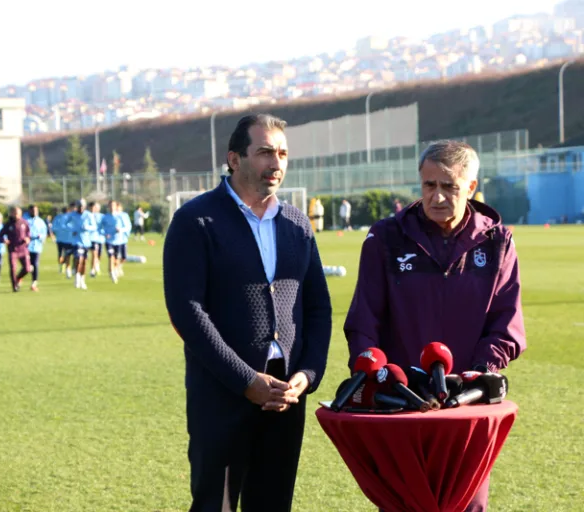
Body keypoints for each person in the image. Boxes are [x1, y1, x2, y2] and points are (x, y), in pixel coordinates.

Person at [344, 140, 527, 512]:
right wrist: (375, 377)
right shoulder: (385, 238)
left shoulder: (498, 242)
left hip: (465, 406)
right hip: (402, 405)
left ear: (472, 188)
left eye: (450, 187)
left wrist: (477, 374)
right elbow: (365, 319)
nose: (438, 197)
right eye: (429, 185)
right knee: (402, 503)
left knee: (466, 504)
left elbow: (506, 324)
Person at [163, 114, 333, 511]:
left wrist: (307, 375)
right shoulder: (196, 220)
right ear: (234, 159)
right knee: (214, 506)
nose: (276, 163)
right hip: (222, 393)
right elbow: (187, 312)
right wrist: (245, 380)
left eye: (282, 153)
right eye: (264, 153)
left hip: (286, 397)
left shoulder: (296, 224)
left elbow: (318, 307)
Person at [0, 206, 32, 292]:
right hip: (13, 250)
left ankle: (17, 278)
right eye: (14, 213)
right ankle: (14, 286)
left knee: (27, 269)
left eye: (18, 213)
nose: (16, 215)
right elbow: (0, 235)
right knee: (13, 268)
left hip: (23, 249)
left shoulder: (24, 223)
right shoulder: (8, 224)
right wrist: (4, 240)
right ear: (11, 214)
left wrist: (28, 239)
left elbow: (28, 234)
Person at [68, 199, 96, 290]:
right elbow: (65, 224)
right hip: (77, 241)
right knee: (78, 258)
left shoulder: (89, 215)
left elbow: (94, 226)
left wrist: (87, 227)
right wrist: (72, 230)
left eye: (82, 206)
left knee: (84, 261)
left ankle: (82, 279)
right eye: (79, 206)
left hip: (86, 241)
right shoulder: (72, 215)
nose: (80, 208)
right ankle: (77, 276)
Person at [27, 204, 48, 292]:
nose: (34, 212)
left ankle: (34, 283)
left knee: (35, 264)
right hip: (26, 246)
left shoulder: (40, 222)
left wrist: (41, 237)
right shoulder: (25, 220)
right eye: (33, 211)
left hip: (36, 246)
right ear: (29, 211)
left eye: (36, 211)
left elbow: (44, 232)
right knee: (27, 266)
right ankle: (19, 277)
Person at [88, 202, 105, 277]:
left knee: (98, 256)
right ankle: (92, 270)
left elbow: (105, 226)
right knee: (94, 254)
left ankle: (96, 265)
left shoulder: (102, 216)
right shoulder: (88, 215)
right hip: (92, 238)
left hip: (100, 238)